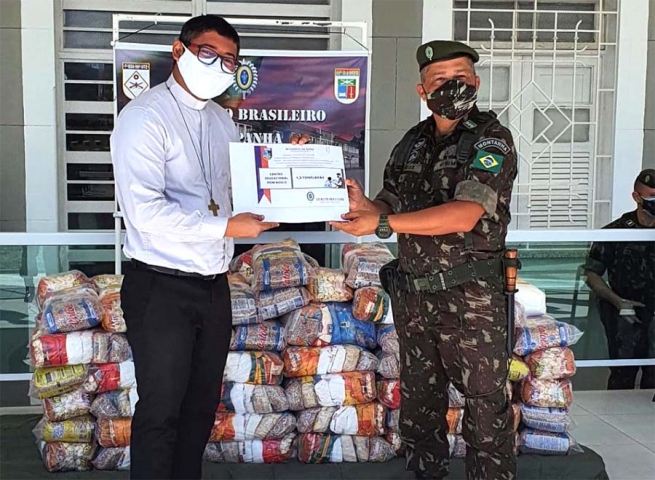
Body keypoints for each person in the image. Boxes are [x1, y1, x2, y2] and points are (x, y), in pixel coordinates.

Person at [331, 41, 517, 480]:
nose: (453, 86)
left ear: (476, 82)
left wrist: (383, 224)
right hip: (416, 302)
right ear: (422, 90)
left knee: (485, 422)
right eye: (440, 80)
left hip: (472, 303)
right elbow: (389, 204)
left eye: (462, 78)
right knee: (417, 416)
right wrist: (363, 205)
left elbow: (465, 214)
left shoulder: (491, 139)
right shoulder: (412, 143)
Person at [111, 15, 280, 480]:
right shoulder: (144, 117)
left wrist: (290, 173)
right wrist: (225, 226)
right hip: (161, 287)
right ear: (178, 50)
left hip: (212, 286)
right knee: (161, 411)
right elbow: (144, 213)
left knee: (201, 409)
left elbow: (238, 192)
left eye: (229, 58)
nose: (220, 65)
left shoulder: (222, 120)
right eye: (209, 52)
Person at [584, 169, 655, 390]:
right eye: (652, 197)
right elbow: (592, 274)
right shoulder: (616, 231)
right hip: (625, 314)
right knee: (622, 375)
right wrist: (617, 302)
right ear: (637, 197)